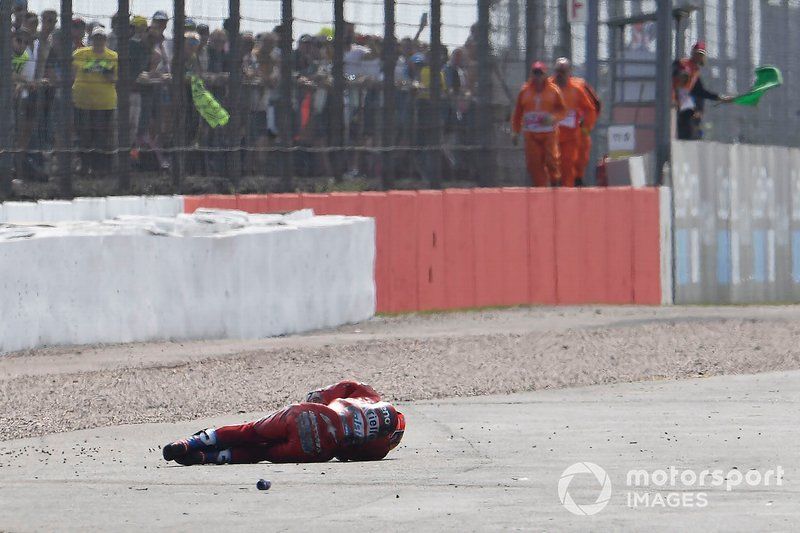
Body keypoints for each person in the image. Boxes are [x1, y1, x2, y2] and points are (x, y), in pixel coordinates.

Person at [162, 381, 406, 465]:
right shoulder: (381, 449)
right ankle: (210, 458)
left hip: (308, 415)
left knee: (251, 430)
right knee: (262, 451)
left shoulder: (367, 394)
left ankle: (193, 441)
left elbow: (317, 396)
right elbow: (345, 456)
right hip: (318, 450)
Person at [511, 61, 567, 187]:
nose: (537, 77)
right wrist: (515, 131)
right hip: (531, 133)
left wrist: (552, 118)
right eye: (535, 73)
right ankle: (541, 188)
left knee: (551, 159)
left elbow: (562, 110)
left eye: (540, 73)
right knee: (534, 162)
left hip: (549, 132)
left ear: (545, 75)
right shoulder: (524, 91)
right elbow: (518, 113)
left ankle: (555, 182)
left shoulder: (554, 90)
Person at [72, 26, 118, 175]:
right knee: (84, 136)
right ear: (91, 39)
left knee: (102, 137)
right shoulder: (80, 53)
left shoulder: (113, 56)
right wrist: (101, 67)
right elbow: (78, 69)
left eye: (102, 38)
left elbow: (113, 77)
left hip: (105, 104)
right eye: (96, 38)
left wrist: (98, 68)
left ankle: (100, 169)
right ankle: (85, 167)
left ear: (106, 40)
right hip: (82, 102)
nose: (99, 41)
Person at [551, 58, 597, 188]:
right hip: (550, 136)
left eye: (563, 71)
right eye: (558, 71)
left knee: (568, 163)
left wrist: (585, 129)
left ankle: (570, 188)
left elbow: (591, 109)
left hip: (571, 136)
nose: (560, 75)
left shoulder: (577, 89)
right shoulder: (548, 87)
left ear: (569, 72)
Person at [672, 41, 732, 140]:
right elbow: (680, 73)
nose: (698, 57)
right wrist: (681, 74)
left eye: (700, 55)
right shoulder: (683, 63)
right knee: (686, 125)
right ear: (692, 53)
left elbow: (700, 91)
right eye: (696, 53)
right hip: (676, 98)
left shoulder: (695, 71)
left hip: (682, 99)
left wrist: (719, 97)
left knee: (690, 125)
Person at [573, 77, 600, 186]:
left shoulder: (580, 84)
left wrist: (586, 126)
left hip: (579, 128)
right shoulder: (551, 84)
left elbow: (596, 104)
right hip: (559, 129)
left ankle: (578, 179)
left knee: (581, 155)